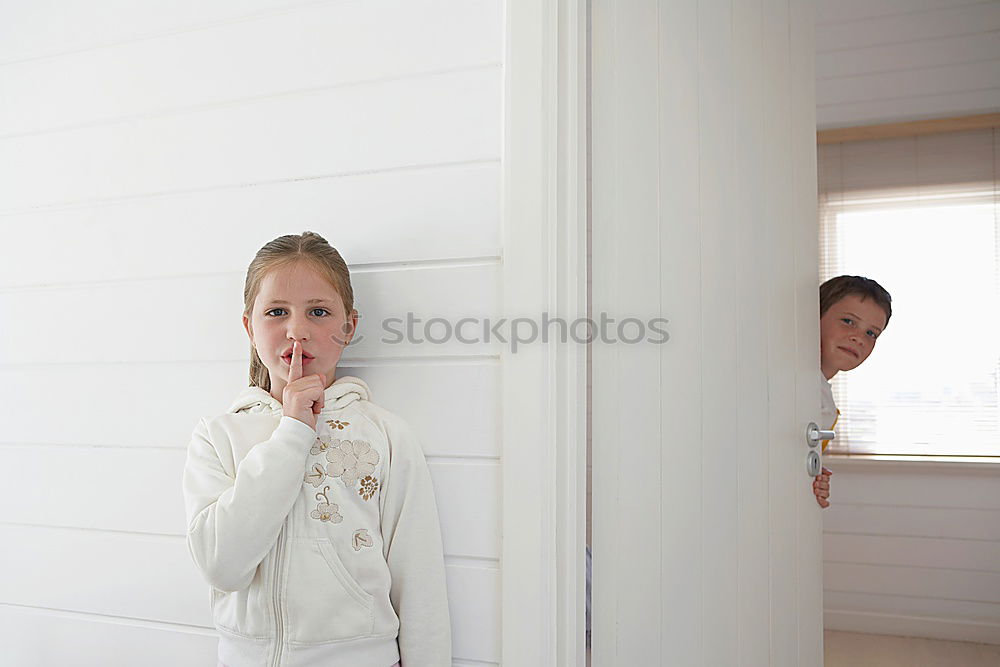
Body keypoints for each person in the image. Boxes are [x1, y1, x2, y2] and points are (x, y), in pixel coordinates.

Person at [182, 231, 451, 667]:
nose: (297, 331)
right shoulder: (218, 436)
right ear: (250, 327)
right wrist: (292, 431)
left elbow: (420, 584)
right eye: (276, 312)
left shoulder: (385, 436)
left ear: (348, 327)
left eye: (319, 312)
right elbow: (220, 565)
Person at [812, 275, 892, 508]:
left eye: (871, 333)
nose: (859, 337)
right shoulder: (789, 381)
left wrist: (812, 477)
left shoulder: (825, 400)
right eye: (848, 321)